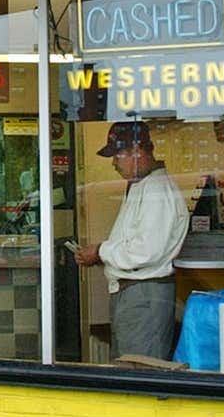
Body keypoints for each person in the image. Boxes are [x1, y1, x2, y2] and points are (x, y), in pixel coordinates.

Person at [75, 121, 190, 360]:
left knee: (139, 370)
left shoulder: (157, 190)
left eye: (117, 156)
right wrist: (101, 256)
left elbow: (144, 251)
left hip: (144, 297)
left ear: (137, 151)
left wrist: (100, 252)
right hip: (132, 295)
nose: (114, 163)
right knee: (126, 366)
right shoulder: (142, 185)